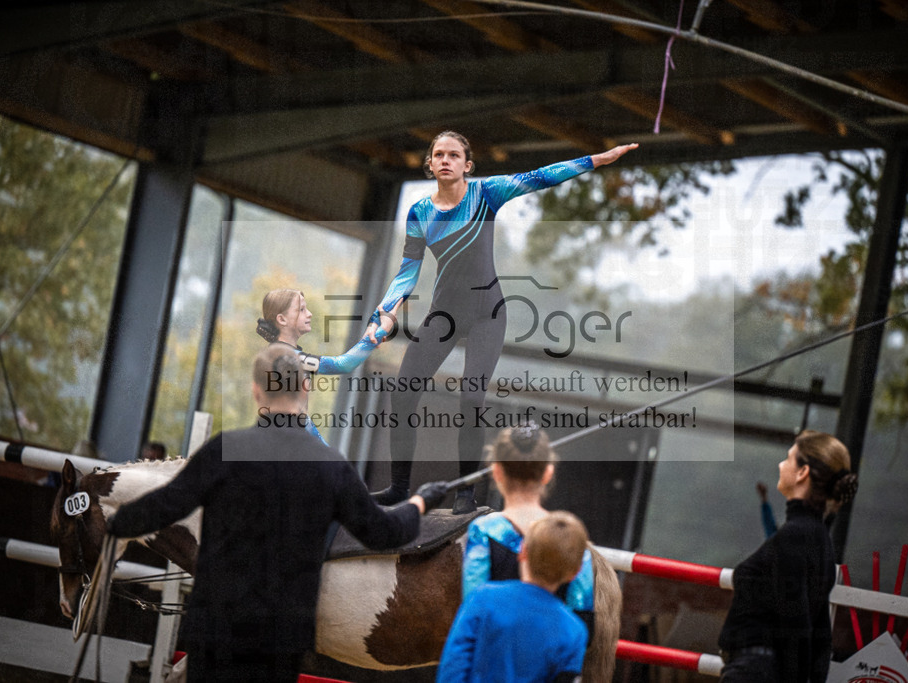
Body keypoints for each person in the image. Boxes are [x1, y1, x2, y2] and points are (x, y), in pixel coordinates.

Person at [107, 344, 449, 683]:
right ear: (305, 387)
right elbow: (384, 533)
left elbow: (159, 508)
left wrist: (115, 521)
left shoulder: (225, 449)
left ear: (256, 391)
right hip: (279, 641)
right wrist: (420, 502)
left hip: (214, 631)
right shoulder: (330, 467)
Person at [367, 131, 638, 513]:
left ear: (467, 165)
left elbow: (539, 176)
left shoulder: (486, 194)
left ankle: (465, 492)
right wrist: (389, 308)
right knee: (404, 391)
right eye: (438, 155)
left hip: (487, 315)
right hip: (445, 313)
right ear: (429, 164)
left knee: (471, 399)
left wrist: (594, 160)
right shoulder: (419, 214)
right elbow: (407, 272)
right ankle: (398, 487)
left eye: (454, 155)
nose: (445, 160)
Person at [718, 430, 859, 683]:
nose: (781, 464)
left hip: (754, 672)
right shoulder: (817, 538)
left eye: (788, 457)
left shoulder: (796, 536)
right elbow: (818, 631)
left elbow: (798, 625)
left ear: (802, 473)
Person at [461, 424, 594, 632]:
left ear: (496, 472)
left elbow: (471, 614)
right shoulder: (572, 537)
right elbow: (583, 626)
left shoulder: (484, 531)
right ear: (548, 473)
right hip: (550, 661)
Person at [436, 510, 590, 683]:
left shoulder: (482, 598)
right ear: (575, 573)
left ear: (523, 551)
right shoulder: (575, 631)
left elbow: (452, 669)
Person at [256, 287, 387, 445]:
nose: (309, 313)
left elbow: (301, 420)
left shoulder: (283, 354)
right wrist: (381, 329)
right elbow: (343, 364)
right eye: (302, 309)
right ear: (282, 320)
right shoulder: (286, 357)